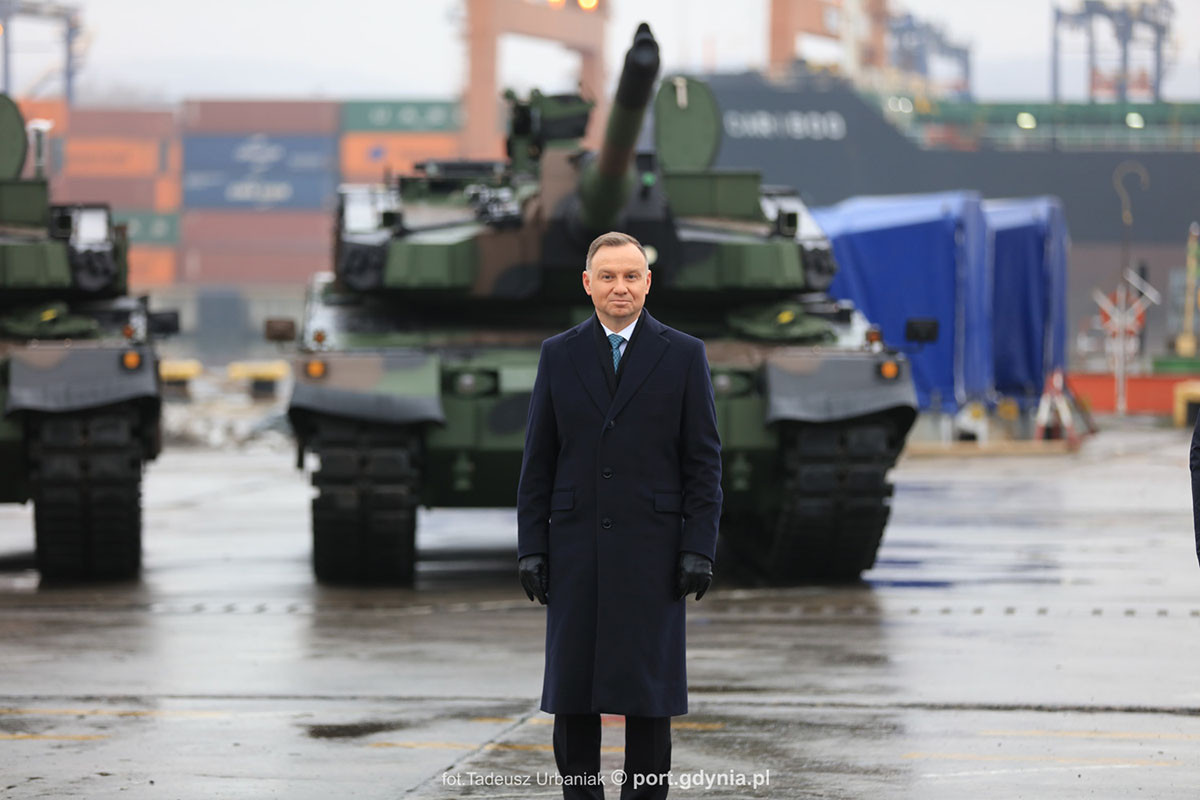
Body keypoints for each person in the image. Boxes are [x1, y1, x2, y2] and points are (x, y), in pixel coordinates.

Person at [516, 231, 723, 799]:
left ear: (648, 282)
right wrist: (532, 546)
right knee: (574, 694)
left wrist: (698, 547)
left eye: (631, 276)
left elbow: (703, 462)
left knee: (649, 695)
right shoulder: (558, 354)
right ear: (588, 284)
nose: (620, 287)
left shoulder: (684, 354)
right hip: (575, 551)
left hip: (654, 552)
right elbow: (538, 461)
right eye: (607, 276)